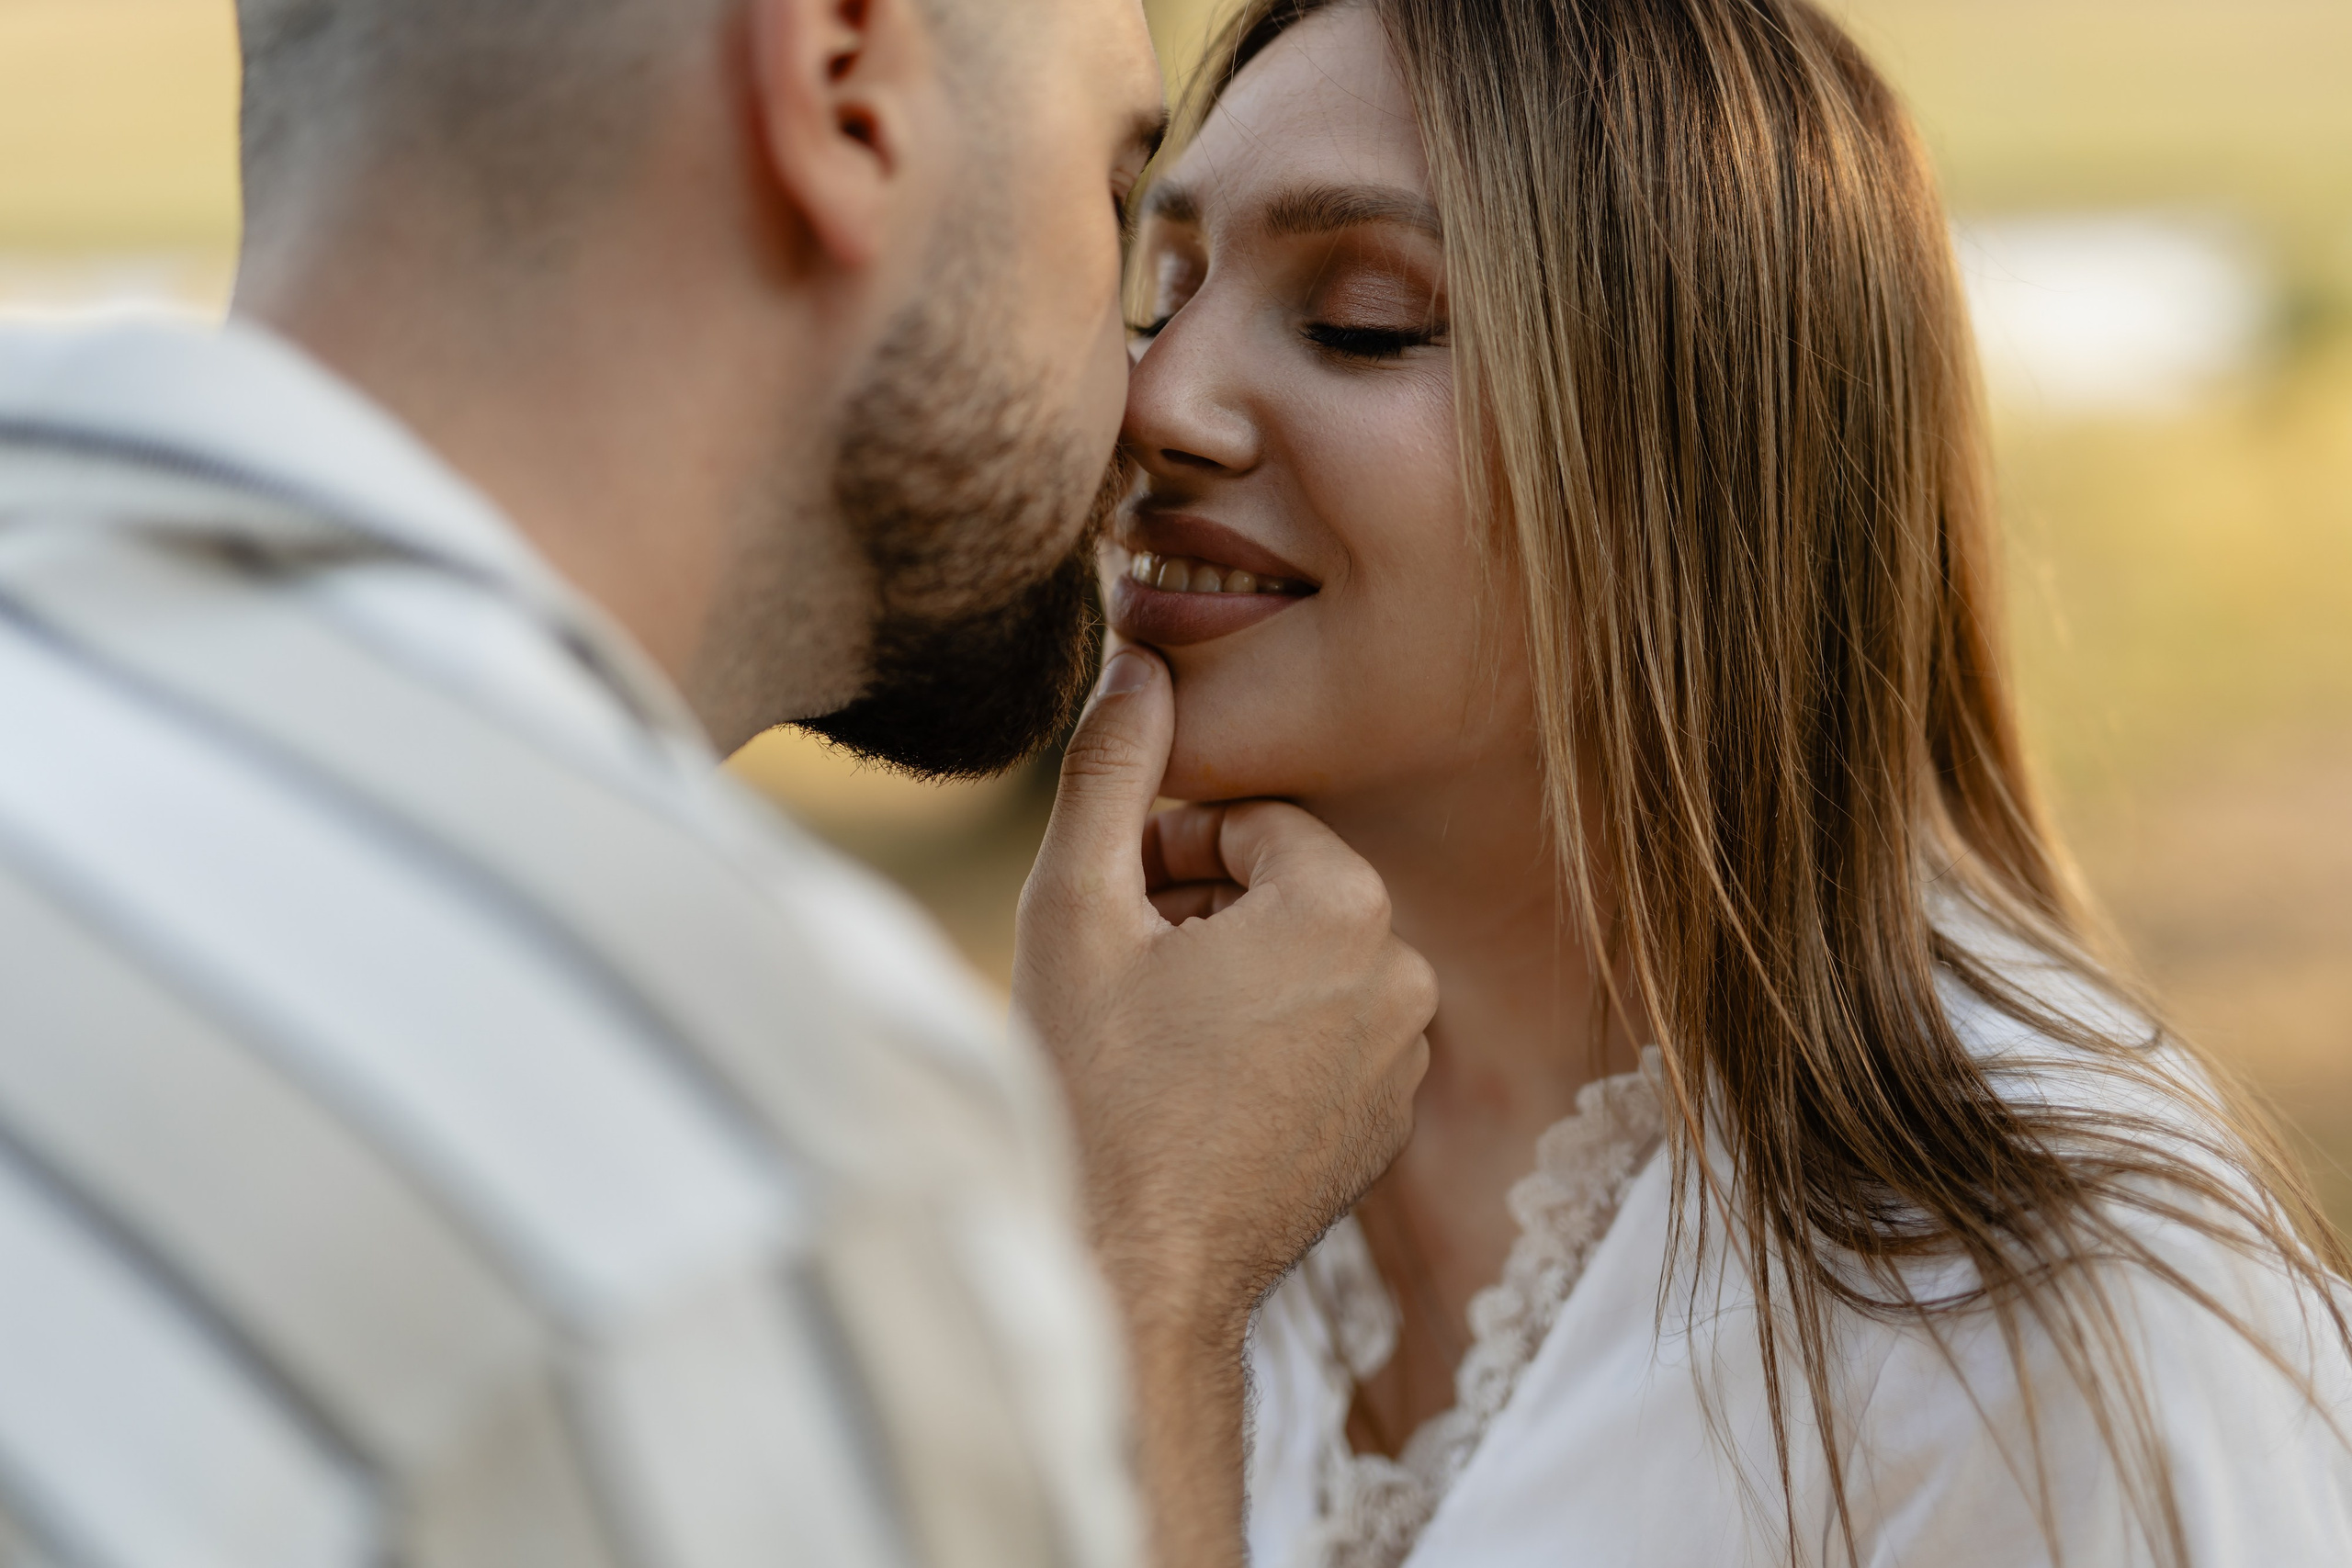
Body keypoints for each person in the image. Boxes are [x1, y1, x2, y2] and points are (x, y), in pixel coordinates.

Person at [0, 2, 1437, 1565]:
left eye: (1356, 322)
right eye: (1116, 214)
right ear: (842, 93)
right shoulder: (739, 1156)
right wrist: (1149, 1273)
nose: (1150, 402)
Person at [1110, 1, 2352, 1563]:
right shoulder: (1143, 1135)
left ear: (1695, 451)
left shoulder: (2046, 1318)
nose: (1155, 402)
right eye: (1160, 293)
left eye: (1361, 317)